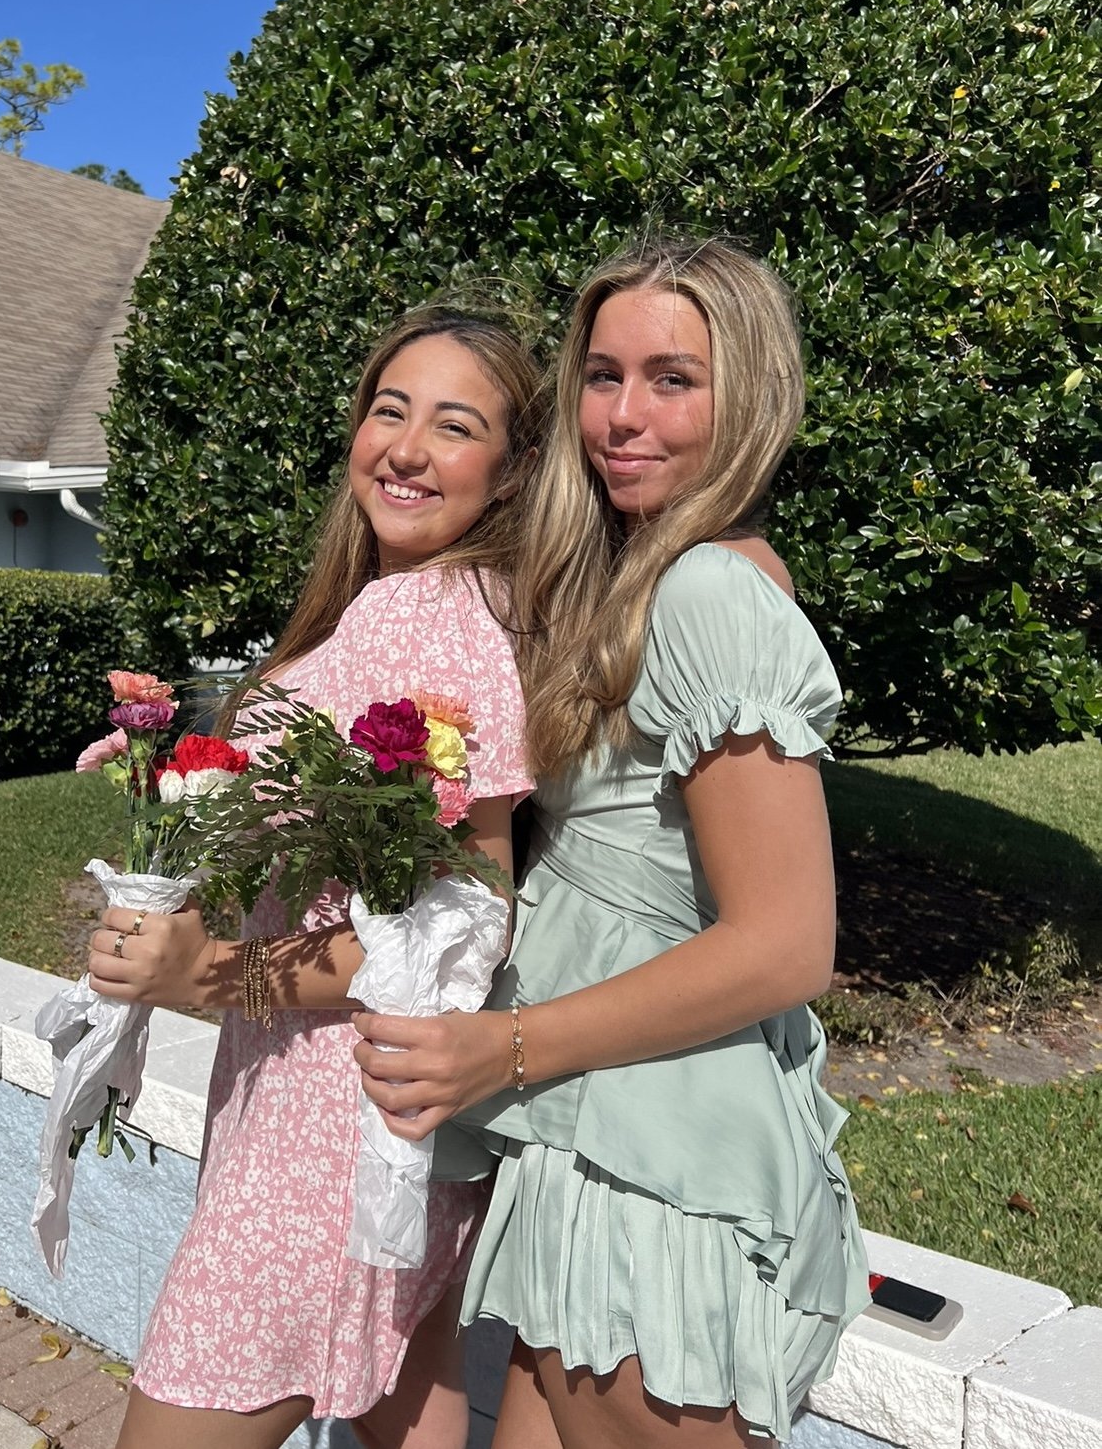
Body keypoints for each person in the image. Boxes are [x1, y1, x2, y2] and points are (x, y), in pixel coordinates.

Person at [354, 235, 870, 1448]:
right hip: (585, 1127)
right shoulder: (650, 576)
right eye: (601, 376)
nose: (622, 418)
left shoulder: (705, 592)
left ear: (748, 397)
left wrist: (499, 1049)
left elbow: (785, 944)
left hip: (647, 1159)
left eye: (671, 380)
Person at [86, 305, 542, 1449]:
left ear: (510, 470)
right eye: (389, 410)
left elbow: (462, 921)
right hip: (363, 1118)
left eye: (454, 426)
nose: (406, 448)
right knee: (405, 1394)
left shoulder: (430, 617)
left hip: (325, 1133)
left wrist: (209, 972)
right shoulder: (411, 606)